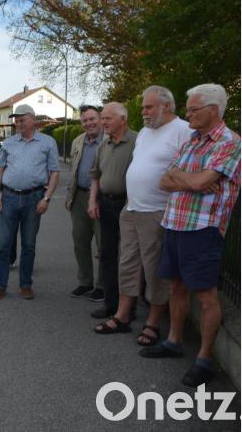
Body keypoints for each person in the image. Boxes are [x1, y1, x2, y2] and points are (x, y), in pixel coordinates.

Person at [140, 84, 241, 387]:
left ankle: (205, 358)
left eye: (193, 109)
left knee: (206, 295)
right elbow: (164, 180)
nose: (188, 114)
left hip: (202, 228)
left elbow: (195, 182)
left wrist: (186, 180)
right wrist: (191, 180)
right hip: (176, 222)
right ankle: (173, 341)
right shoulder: (193, 141)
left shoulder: (229, 142)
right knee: (175, 286)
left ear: (213, 109)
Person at [94, 86, 193, 345]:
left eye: (149, 107)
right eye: (143, 108)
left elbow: (194, 166)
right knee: (127, 264)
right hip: (132, 208)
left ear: (167, 106)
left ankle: (152, 321)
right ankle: (123, 315)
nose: (144, 112)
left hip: (157, 211)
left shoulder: (183, 130)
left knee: (153, 270)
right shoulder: (146, 133)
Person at [0, 104, 59, 300]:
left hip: (34, 198)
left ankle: (25, 285)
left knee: (29, 244)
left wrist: (47, 199)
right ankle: (0, 285)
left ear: (33, 119)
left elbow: (54, 172)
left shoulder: (47, 142)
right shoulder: (9, 143)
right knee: (4, 244)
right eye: (16, 120)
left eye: (22, 119)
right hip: (10, 197)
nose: (18, 123)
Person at [87, 103, 138, 320]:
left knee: (129, 258)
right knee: (107, 255)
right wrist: (92, 201)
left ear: (123, 119)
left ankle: (129, 309)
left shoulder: (138, 142)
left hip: (129, 206)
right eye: (103, 118)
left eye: (108, 118)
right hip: (106, 205)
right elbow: (96, 175)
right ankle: (110, 304)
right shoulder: (103, 145)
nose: (103, 122)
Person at [65, 105, 104, 302]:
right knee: (80, 242)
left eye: (92, 119)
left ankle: (102, 286)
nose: (89, 123)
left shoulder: (108, 140)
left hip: (101, 198)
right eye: (85, 120)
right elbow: (73, 169)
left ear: (100, 118)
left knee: (103, 243)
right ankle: (85, 282)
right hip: (79, 196)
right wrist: (69, 196)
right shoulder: (78, 141)